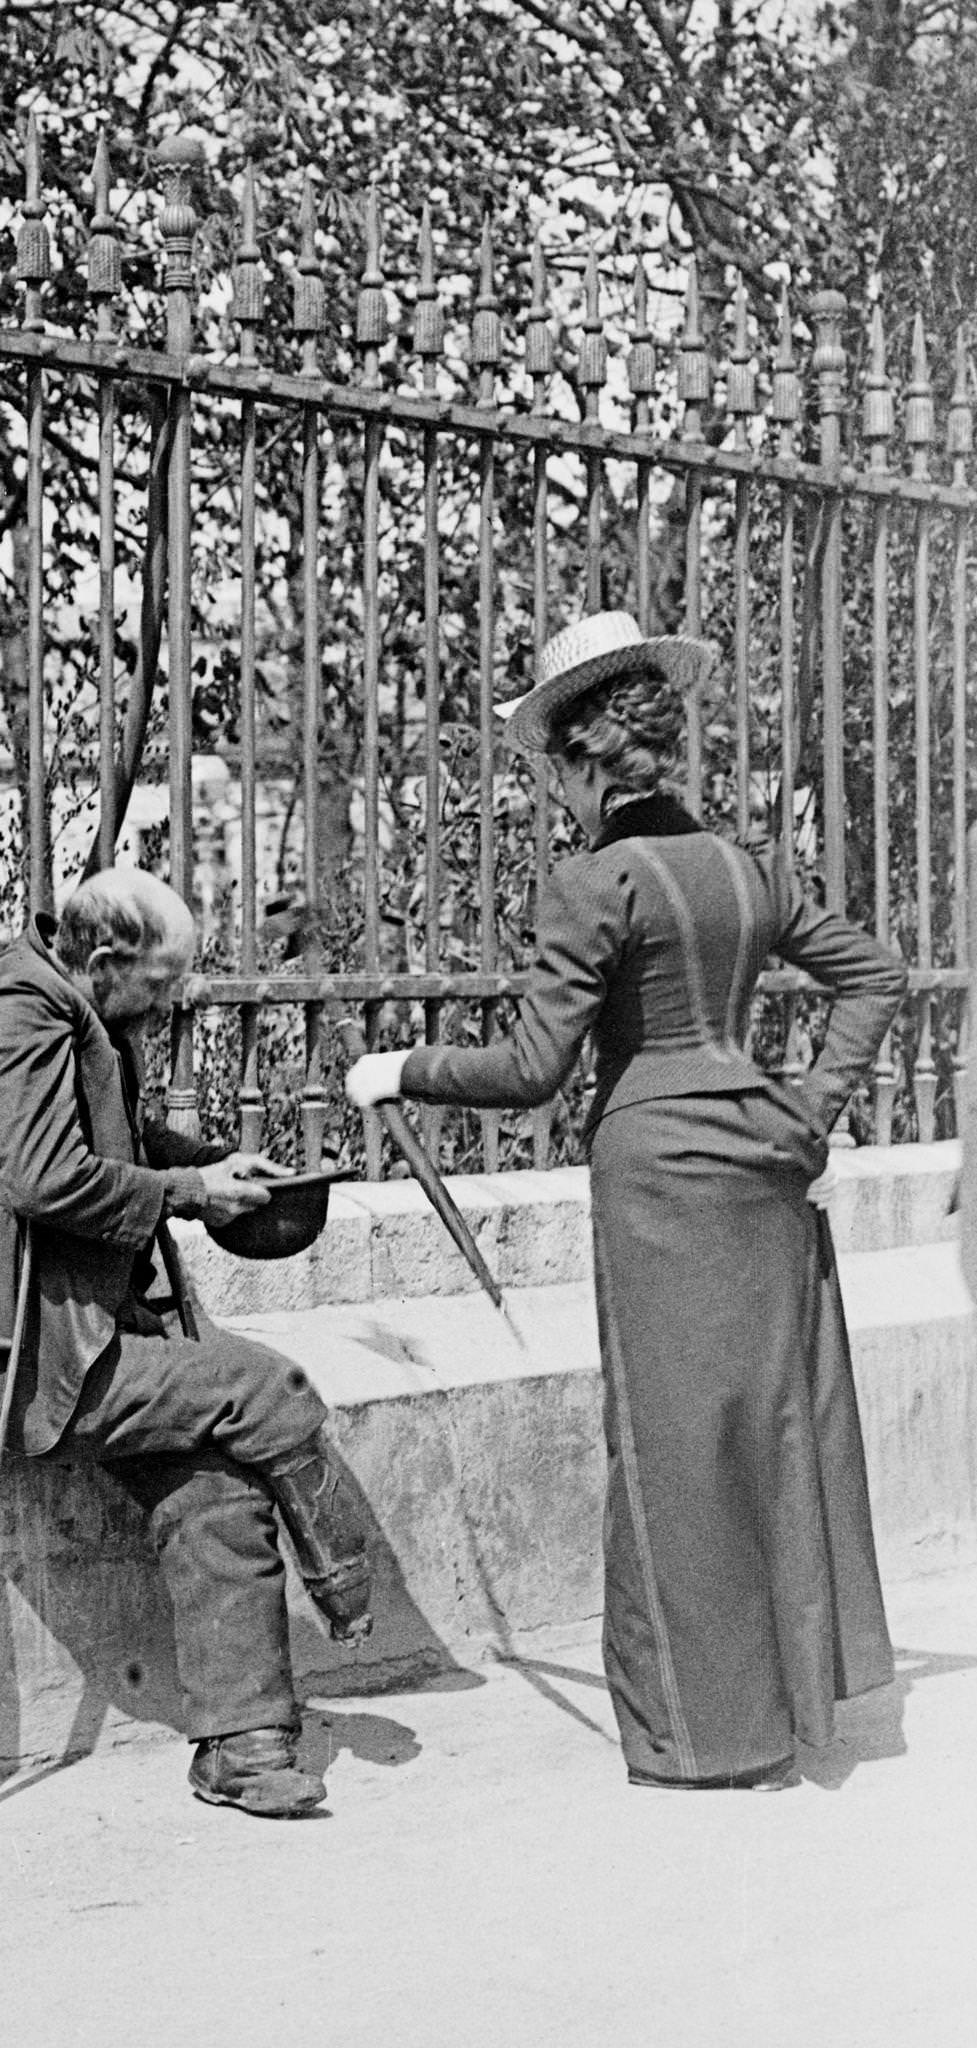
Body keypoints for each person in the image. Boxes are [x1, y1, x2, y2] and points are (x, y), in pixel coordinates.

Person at [346, 610, 906, 1791]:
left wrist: (401, 1069)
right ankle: (794, 1711)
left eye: (549, 762)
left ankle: (704, 1740)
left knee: (669, 1453)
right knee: (771, 1429)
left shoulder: (591, 881)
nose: (550, 786)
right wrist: (807, 1106)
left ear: (583, 755)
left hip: (654, 1173)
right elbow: (876, 973)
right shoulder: (741, 868)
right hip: (762, 1159)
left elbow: (530, 1071)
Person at [0, 867, 372, 1819]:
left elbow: (111, 1135)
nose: (166, 1006)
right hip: (28, 1354)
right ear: (105, 959)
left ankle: (241, 1747)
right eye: (157, 987)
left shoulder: (73, 995)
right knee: (269, 1390)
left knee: (219, 1486)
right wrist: (188, 1198)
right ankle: (348, 1593)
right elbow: (41, 1176)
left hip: (90, 1329)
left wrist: (204, 1165)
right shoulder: (26, 1008)